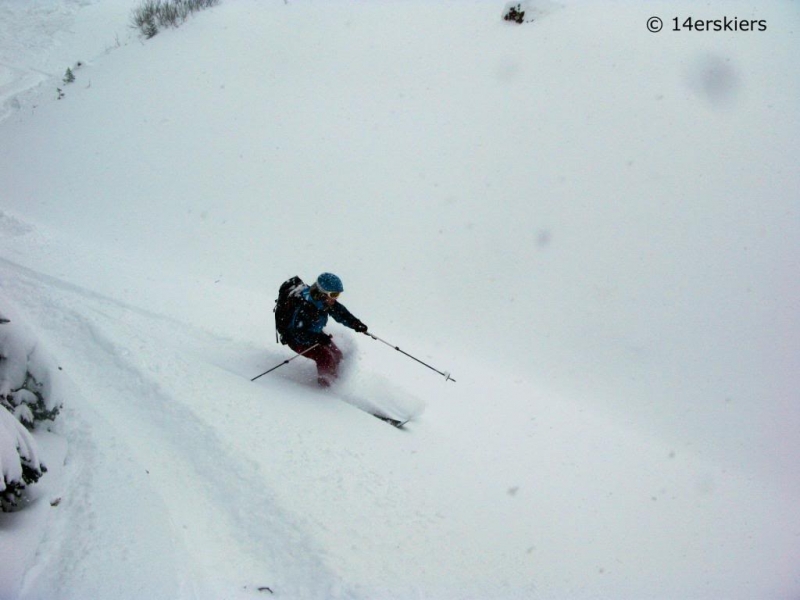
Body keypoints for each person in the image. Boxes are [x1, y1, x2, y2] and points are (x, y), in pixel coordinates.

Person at [282, 273, 368, 387]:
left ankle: (336, 380)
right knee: (325, 357)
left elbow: (341, 313)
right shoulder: (304, 306)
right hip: (297, 340)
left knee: (337, 354)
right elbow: (298, 333)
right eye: (333, 294)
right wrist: (317, 338)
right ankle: (325, 388)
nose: (335, 298)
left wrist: (355, 323)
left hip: (315, 335)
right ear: (322, 292)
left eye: (337, 295)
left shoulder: (325, 301)